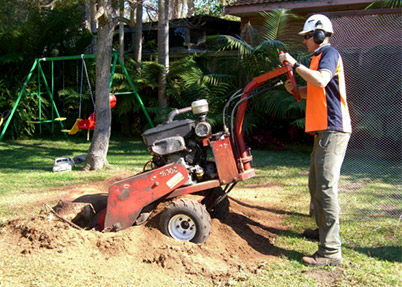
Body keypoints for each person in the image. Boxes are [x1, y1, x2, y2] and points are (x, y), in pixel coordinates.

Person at [279, 14, 352, 267]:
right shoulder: (317, 59)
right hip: (323, 131)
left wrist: (294, 64)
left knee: (326, 188)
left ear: (320, 35)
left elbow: (321, 80)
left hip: (333, 129)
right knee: (315, 184)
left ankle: (331, 250)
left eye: (308, 36)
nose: (305, 41)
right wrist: (295, 89)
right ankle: (323, 232)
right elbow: (314, 90)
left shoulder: (329, 54)